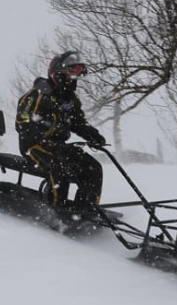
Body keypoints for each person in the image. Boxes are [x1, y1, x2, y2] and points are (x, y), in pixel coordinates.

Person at [15, 51, 108, 208]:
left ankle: (86, 207)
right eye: (69, 77)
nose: (73, 80)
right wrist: (42, 132)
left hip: (59, 147)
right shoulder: (38, 94)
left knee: (92, 167)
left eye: (75, 77)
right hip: (33, 145)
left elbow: (77, 122)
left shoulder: (70, 99)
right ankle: (56, 208)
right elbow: (22, 121)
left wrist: (93, 135)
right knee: (59, 166)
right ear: (57, 75)